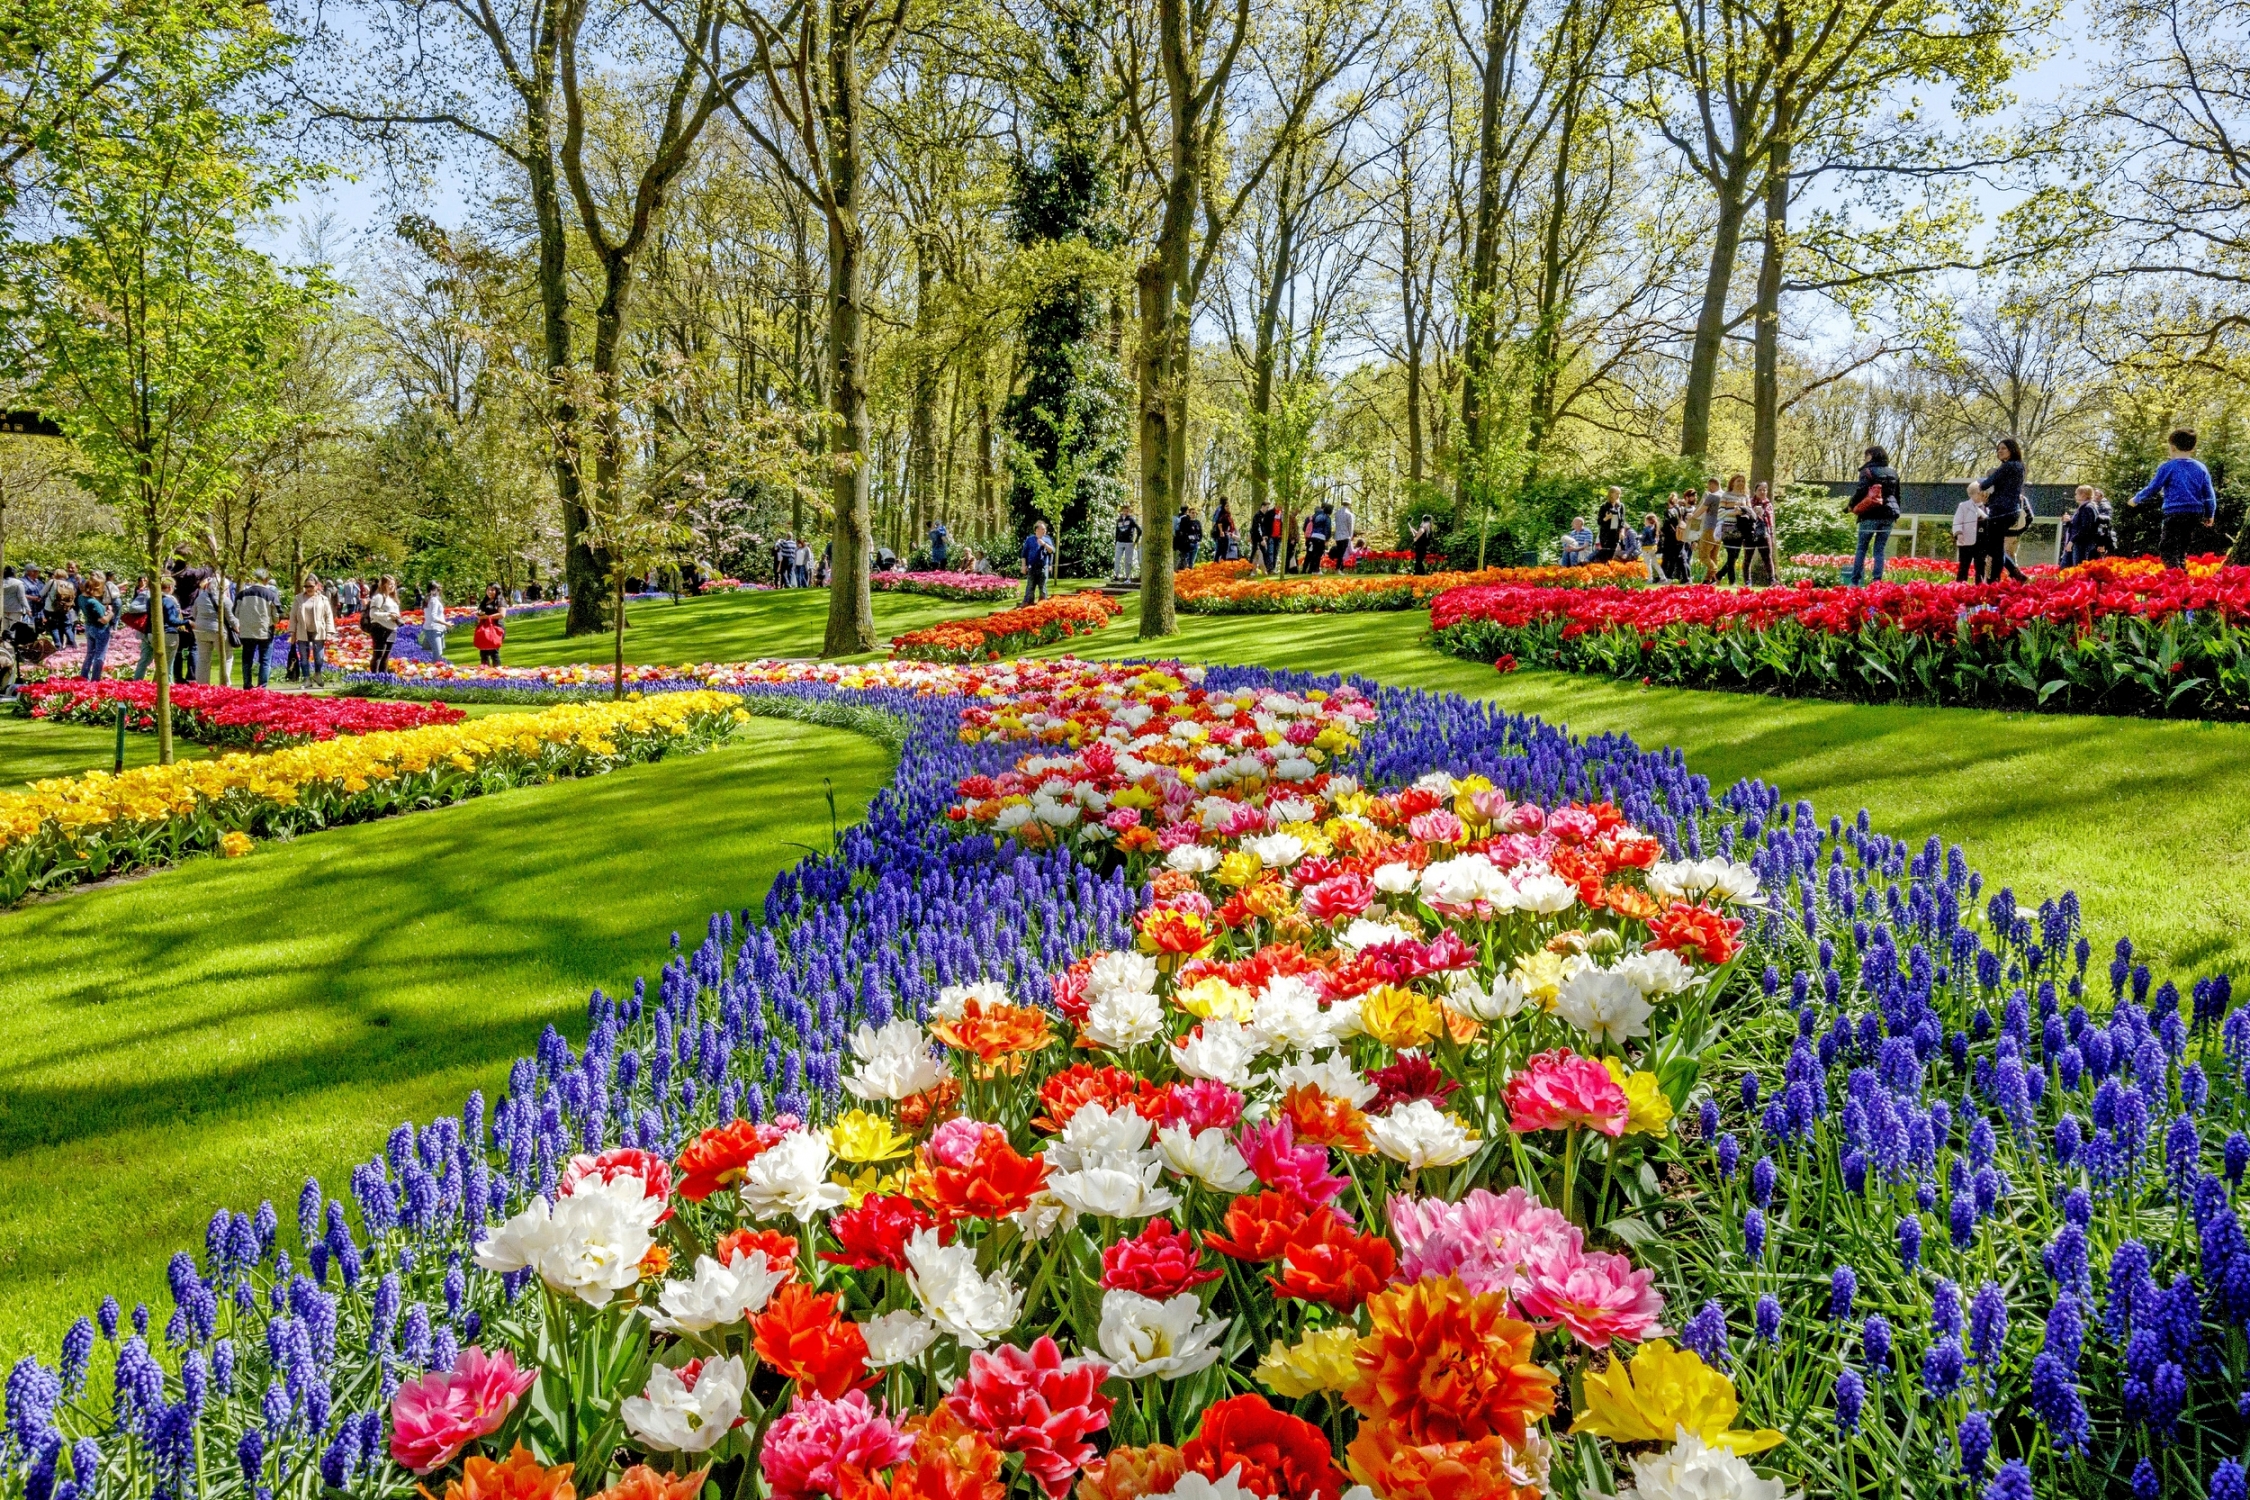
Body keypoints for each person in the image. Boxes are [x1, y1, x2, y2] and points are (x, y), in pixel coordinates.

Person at [2129, 427, 2219, 569]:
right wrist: (2210, 514)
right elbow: (2209, 494)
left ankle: (2174, 576)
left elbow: (2153, 487)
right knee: (2182, 546)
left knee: (2168, 548)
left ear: (2172, 447)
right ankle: (2182, 573)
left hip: (2174, 512)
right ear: (2193, 447)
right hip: (2194, 513)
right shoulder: (2201, 467)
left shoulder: (2168, 467)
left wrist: (2136, 499)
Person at [1970, 437, 2028, 582]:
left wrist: (1980, 483)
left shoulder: (2008, 466)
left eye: (2003, 448)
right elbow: (2004, 490)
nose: (1999, 451)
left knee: (1993, 548)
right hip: (2010, 511)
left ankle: (1994, 580)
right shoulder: (2019, 467)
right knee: (1996, 546)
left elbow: (1986, 484)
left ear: (2012, 450)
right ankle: (2015, 574)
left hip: (2001, 512)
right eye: (1998, 449)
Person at [1848, 445, 1902, 585]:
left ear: (1871, 456)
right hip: (1888, 515)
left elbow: (1861, 491)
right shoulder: (1893, 473)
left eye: (1866, 455)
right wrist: (1896, 514)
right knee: (1879, 549)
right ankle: (1877, 581)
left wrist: (1851, 506)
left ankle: (1855, 581)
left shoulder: (1867, 471)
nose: (1865, 458)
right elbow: (1897, 495)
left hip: (1870, 514)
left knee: (1862, 548)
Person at [233, 568, 280, 686]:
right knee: (265, 660)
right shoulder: (270, 594)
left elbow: (236, 613)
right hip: (265, 631)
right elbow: (276, 615)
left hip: (247, 632)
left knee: (247, 660)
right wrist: (272, 621)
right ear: (266, 579)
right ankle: (262, 687)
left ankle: (247, 685)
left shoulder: (242, 594)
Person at [131, 577, 182, 680]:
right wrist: (154, 607)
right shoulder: (146, 594)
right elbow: (132, 608)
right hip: (149, 632)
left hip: (151, 632)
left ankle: (148, 684)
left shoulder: (170, 598)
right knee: (160, 661)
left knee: (158, 660)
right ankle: (141, 682)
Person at [293, 574, 336, 684]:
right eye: (306, 586)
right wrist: (292, 633)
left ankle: (317, 674)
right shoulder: (298, 598)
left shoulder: (323, 599)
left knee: (319, 657)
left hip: (318, 631)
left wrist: (329, 632)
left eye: (311, 586)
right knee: (304, 657)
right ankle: (307, 679)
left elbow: (328, 615)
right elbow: (293, 616)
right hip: (302, 631)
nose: (308, 588)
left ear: (317, 586)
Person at [191, 567, 231, 683]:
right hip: (218, 631)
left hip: (200, 630)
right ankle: (225, 683)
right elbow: (231, 618)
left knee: (203, 659)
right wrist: (237, 628)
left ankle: (202, 685)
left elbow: (194, 613)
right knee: (226, 657)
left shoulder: (200, 598)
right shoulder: (224, 600)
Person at [75, 572, 114, 681]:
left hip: (89, 627)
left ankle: (84, 676)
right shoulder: (93, 602)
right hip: (100, 630)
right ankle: (95, 679)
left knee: (90, 654)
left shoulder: (81, 597)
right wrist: (110, 613)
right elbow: (103, 620)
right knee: (99, 656)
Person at [362, 576, 402, 674]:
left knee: (386, 656)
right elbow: (373, 614)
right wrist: (388, 615)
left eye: (393, 584)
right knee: (379, 654)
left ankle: (383, 676)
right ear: (383, 585)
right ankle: (375, 676)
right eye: (390, 584)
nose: (392, 586)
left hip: (392, 629)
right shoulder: (379, 597)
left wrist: (396, 617)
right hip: (380, 628)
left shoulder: (392, 598)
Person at [1693, 477, 1726, 582]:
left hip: (1710, 528)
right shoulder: (1726, 496)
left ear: (1712, 484)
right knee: (1713, 556)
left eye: (1709, 486)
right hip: (1721, 529)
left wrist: (1692, 517)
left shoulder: (1712, 496)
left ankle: (1716, 572)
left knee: (1703, 555)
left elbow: (1700, 511)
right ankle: (1708, 580)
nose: (1709, 489)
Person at [1952, 485, 1985, 581]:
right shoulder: (1963, 506)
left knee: (1981, 565)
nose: (1981, 495)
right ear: (1971, 495)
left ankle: (1980, 585)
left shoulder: (1987, 506)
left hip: (1981, 542)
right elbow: (1957, 521)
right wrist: (1959, 533)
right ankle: (1961, 585)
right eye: (1978, 493)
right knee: (1964, 565)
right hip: (1966, 541)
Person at [1021, 520, 1056, 604]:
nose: (1045, 530)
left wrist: (1044, 544)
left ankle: (1043, 605)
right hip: (1032, 567)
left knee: (1042, 588)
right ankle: (1028, 604)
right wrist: (1023, 566)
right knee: (1030, 587)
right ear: (1037, 530)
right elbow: (1024, 554)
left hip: (1043, 568)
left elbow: (1052, 551)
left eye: (1045, 529)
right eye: (1043, 529)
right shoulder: (1029, 539)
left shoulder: (1047, 539)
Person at [474, 584, 506, 666]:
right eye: (488, 590)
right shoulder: (485, 601)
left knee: (494, 651)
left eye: (492, 590)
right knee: (483, 652)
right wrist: (479, 615)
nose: (489, 592)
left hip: (496, 628)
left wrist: (487, 617)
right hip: (484, 628)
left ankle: (496, 671)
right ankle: (485, 671)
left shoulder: (500, 600)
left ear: (497, 591)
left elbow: (502, 614)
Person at [1595, 487, 1626, 562]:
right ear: (1611, 494)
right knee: (1604, 555)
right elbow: (1599, 522)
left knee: (1611, 555)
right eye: (1617, 493)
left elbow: (1622, 521)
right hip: (1605, 535)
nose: (1618, 495)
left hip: (1615, 534)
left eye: (1619, 494)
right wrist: (1606, 518)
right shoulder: (1604, 506)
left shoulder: (1620, 506)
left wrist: (1622, 532)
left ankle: (1609, 568)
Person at [420, 582, 448, 661]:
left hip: (434, 628)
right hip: (434, 629)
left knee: (438, 654)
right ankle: (435, 668)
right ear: (432, 590)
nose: (439, 591)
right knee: (438, 656)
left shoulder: (428, 600)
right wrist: (446, 624)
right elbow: (434, 617)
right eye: (438, 589)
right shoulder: (434, 600)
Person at [1253, 501, 1284, 573]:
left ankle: (1273, 568)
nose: (1281, 506)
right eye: (1280, 504)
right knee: (1270, 552)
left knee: (1276, 553)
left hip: (1278, 537)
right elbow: (1264, 525)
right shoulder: (1269, 513)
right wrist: (1265, 534)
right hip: (1271, 536)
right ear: (1276, 504)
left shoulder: (1282, 514)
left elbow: (1283, 525)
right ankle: (1269, 568)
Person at [1113, 507, 1142, 580]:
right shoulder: (1119, 520)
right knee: (1117, 559)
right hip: (1119, 542)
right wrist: (1116, 542)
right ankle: (1116, 576)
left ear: (1129, 512)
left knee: (1128, 561)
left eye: (1127, 511)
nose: (1125, 512)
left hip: (1129, 542)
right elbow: (1117, 532)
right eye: (1124, 511)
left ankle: (1127, 577)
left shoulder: (1131, 520)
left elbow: (1139, 531)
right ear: (1122, 511)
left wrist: (1136, 541)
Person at [1302, 503, 1332, 572]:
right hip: (1321, 537)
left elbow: (1305, 528)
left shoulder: (1313, 517)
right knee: (1317, 554)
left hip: (1311, 537)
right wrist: (1327, 538)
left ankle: (1304, 570)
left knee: (1309, 554)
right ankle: (1314, 570)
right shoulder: (1326, 517)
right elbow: (1327, 529)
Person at [1329, 497, 1356, 569]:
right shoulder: (1349, 514)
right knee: (1341, 553)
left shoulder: (1337, 513)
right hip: (1345, 536)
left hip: (1338, 536)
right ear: (1349, 504)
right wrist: (1351, 536)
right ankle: (1338, 568)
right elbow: (1350, 527)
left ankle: (1340, 568)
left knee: (1340, 552)